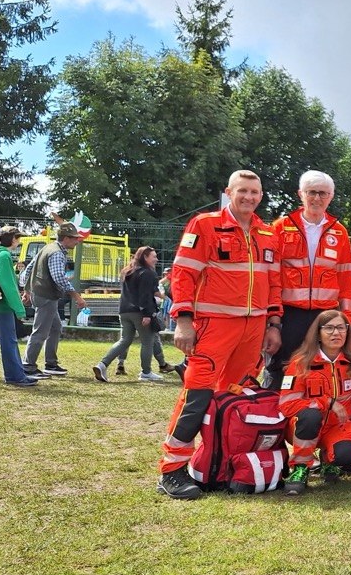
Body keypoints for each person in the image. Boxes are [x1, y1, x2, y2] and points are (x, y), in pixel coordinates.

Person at [157, 170, 283, 500]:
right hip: (214, 327)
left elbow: (273, 283)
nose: (249, 197)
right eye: (243, 191)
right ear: (229, 192)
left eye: (255, 192)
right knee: (197, 397)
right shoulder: (204, 225)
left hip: (254, 329)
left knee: (234, 398)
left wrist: (273, 324)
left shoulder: (267, 232)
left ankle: (220, 463)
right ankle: (171, 470)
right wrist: (183, 320)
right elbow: (182, 274)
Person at [263, 170, 351, 391]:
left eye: (323, 193)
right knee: (280, 370)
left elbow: (345, 279)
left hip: (324, 315)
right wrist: (273, 320)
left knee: (319, 371)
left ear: (331, 196)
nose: (317, 198)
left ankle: (311, 419)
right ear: (300, 194)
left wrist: (346, 318)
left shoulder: (340, 232)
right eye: (311, 192)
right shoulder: (279, 228)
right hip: (289, 314)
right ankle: (272, 419)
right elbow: (271, 277)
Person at [277, 309, 351, 495]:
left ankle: (328, 461)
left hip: (337, 426)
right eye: (329, 328)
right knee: (310, 416)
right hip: (303, 426)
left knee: (346, 455)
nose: (336, 333)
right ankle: (300, 467)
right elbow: (286, 404)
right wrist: (327, 402)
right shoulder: (301, 363)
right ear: (318, 333)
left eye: (341, 328)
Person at [20, 222, 87, 377]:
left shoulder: (48, 247)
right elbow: (58, 277)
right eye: (75, 238)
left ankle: (51, 364)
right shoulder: (57, 253)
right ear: (66, 238)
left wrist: (27, 289)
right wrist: (75, 295)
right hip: (46, 296)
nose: (78, 241)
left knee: (55, 328)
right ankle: (28, 366)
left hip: (41, 294)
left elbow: (30, 268)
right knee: (40, 332)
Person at [94, 246, 167, 382]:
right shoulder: (148, 273)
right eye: (154, 256)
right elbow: (145, 295)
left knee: (124, 340)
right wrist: (147, 314)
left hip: (124, 311)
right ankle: (146, 372)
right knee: (147, 341)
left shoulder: (128, 271)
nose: (156, 259)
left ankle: (102, 364)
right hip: (140, 312)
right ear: (145, 257)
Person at [0, 227, 38, 387]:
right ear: (12, 239)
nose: (19, 242)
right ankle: (15, 376)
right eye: (18, 238)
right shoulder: (4, 256)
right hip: (1, 306)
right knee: (9, 342)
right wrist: (19, 309)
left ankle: (16, 375)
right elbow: (8, 285)